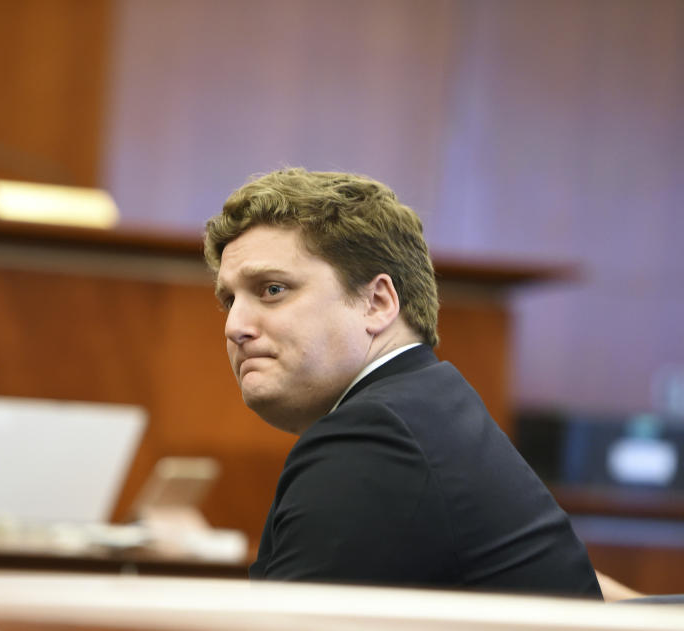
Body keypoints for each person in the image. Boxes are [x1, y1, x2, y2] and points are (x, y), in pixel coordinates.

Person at [204, 168, 602, 597]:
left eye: (272, 289)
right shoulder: (421, 408)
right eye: (229, 300)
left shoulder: (375, 437)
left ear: (377, 303)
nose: (234, 326)